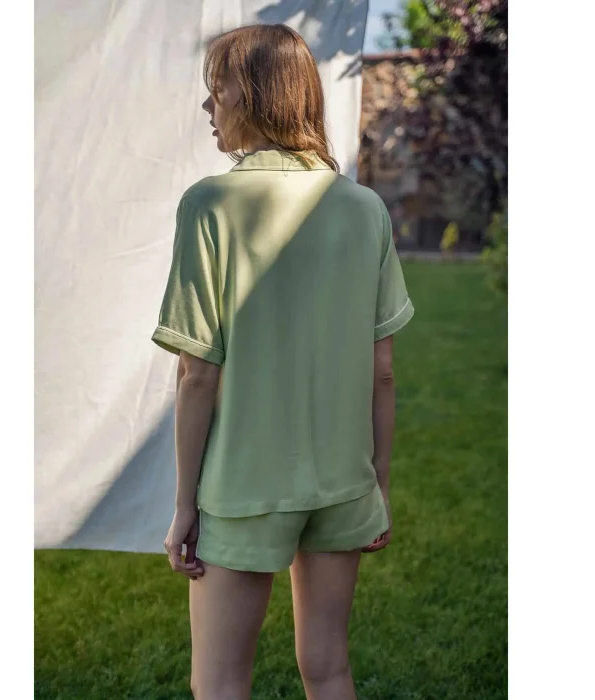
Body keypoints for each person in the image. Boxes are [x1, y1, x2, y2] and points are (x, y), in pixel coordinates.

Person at [152, 23, 414, 700]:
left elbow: (197, 373)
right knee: (328, 669)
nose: (208, 105)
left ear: (255, 95)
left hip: (242, 488)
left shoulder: (210, 205)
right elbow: (383, 369)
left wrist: (184, 506)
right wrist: (378, 484)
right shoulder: (364, 208)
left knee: (218, 681)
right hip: (344, 481)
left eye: (218, 89)